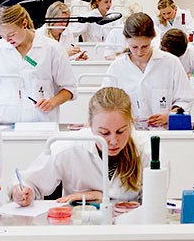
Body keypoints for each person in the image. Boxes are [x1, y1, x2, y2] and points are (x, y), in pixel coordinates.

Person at [11, 87, 150, 205]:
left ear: (131, 123)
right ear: (90, 125)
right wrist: (22, 192)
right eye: (104, 133)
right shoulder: (68, 147)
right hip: (79, 226)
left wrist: (100, 197)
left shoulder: (147, 150)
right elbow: (29, 183)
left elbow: (154, 202)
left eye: (121, 131)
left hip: (129, 229)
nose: (113, 141)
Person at [0, 4, 77, 124]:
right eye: (1, 35)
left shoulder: (52, 49)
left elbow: (69, 88)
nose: (7, 40)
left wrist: (52, 102)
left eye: (11, 34)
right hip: (4, 124)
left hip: (41, 123)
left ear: (24, 23)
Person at [102, 12, 194, 128]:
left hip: (164, 133)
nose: (139, 52)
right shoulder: (116, 68)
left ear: (152, 39)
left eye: (145, 46)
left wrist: (169, 116)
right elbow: (106, 105)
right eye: (134, 47)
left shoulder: (171, 62)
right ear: (126, 39)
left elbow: (185, 99)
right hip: (129, 135)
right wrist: (123, 118)